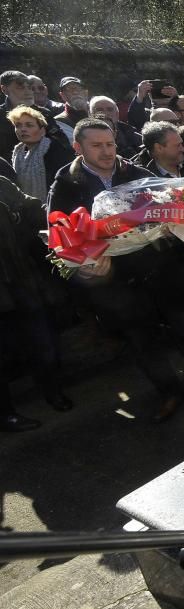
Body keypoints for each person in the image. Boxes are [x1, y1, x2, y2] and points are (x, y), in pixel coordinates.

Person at [48, 119, 184, 422]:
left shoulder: (137, 173)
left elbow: (165, 206)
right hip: (115, 282)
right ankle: (171, 392)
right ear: (78, 147)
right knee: (141, 340)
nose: (106, 152)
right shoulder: (65, 183)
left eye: (110, 144)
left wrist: (171, 226)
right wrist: (83, 268)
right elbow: (57, 236)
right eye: (96, 145)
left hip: (157, 269)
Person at [0, 178, 72, 431]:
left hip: (22, 282)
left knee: (43, 342)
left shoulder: (1, 184)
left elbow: (32, 207)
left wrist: (47, 216)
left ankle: (52, 391)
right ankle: (6, 414)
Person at [7, 105, 73, 200]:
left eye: (29, 125)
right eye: (18, 125)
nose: (23, 129)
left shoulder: (55, 149)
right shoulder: (18, 153)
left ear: (42, 131)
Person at [53, 77, 91, 141]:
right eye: (69, 90)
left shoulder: (100, 110)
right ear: (63, 96)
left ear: (86, 92)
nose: (75, 92)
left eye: (78, 88)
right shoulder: (59, 122)